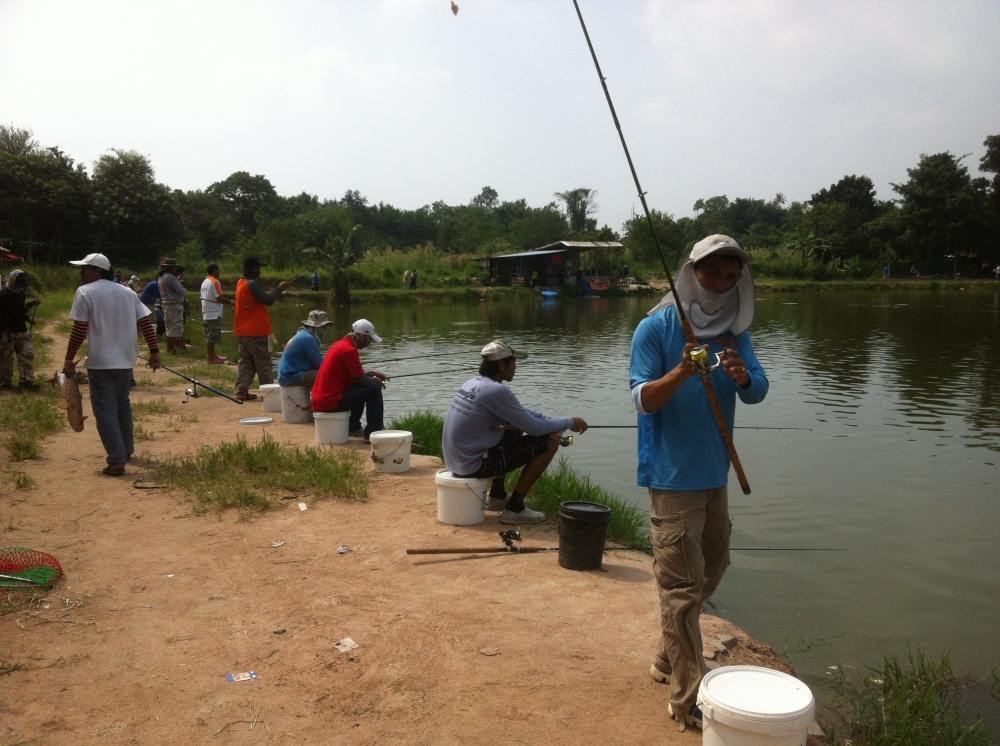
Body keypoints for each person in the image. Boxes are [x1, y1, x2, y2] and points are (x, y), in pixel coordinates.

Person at [629, 234, 768, 731]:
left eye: (731, 277)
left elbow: (758, 389)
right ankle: (687, 697)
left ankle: (669, 653)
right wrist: (682, 372)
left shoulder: (736, 332)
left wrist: (742, 376)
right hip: (670, 477)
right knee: (683, 587)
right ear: (692, 273)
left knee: (716, 561)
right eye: (712, 274)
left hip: (716, 471)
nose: (721, 284)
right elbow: (643, 399)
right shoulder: (656, 327)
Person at [441, 340, 588, 525]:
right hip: (471, 466)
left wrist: (546, 419)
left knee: (513, 430)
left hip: (456, 462)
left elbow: (520, 413)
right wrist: (570, 421)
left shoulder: (473, 383)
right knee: (549, 442)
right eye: (514, 362)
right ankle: (514, 508)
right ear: (502, 365)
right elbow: (535, 428)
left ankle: (497, 496)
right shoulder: (496, 391)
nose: (516, 367)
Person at [62, 252, 161, 476]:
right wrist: (154, 352)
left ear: (97, 271)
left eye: (85, 268)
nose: (81, 273)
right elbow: (145, 321)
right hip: (126, 361)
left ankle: (116, 460)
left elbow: (79, 329)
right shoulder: (127, 292)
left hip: (101, 362)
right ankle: (125, 450)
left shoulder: (85, 292)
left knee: (105, 410)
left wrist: (69, 358)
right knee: (121, 404)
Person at [311, 319, 388, 440]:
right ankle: (374, 433)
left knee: (365, 387)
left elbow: (355, 377)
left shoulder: (340, 345)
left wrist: (372, 374)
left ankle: (353, 428)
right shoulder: (349, 350)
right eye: (369, 340)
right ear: (362, 336)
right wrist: (375, 381)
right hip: (330, 400)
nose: (369, 344)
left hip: (322, 398)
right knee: (374, 389)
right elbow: (360, 380)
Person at [233, 256, 290, 401]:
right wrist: (280, 289)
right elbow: (268, 300)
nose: (260, 271)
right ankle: (270, 395)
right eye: (258, 268)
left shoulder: (241, 283)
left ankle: (241, 390)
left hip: (243, 331)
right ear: (252, 268)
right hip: (256, 332)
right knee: (263, 362)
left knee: (246, 362)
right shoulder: (252, 284)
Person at [0, 269, 41, 390]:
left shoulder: (20, 294)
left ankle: (26, 381)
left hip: (21, 330)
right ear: (12, 280)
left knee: (26, 355)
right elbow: (14, 311)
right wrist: (30, 305)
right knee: (5, 358)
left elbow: (20, 311)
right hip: (6, 331)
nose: (20, 287)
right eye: (19, 284)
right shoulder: (3, 295)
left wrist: (28, 319)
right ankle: (5, 382)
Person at [278, 310, 333, 389]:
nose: (325, 330)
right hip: (290, 377)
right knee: (327, 374)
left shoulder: (303, 334)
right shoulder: (308, 339)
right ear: (315, 327)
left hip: (287, 376)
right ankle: (324, 400)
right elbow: (321, 365)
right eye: (324, 327)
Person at [200, 263, 231, 364]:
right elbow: (219, 298)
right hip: (214, 313)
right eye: (218, 270)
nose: (219, 272)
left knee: (210, 334)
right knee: (213, 335)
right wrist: (232, 302)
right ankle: (211, 358)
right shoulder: (215, 281)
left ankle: (213, 355)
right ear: (214, 271)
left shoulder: (205, 281)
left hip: (206, 311)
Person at [157, 259, 187, 353]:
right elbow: (181, 291)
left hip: (167, 305)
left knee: (170, 327)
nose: (175, 268)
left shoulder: (162, 277)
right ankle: (170, 349)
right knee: (174, 328)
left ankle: (172, 348)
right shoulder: (170, 277)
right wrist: (182, 286)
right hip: (174, 306)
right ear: (170, 268)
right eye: (174, 267)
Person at [139, 269, 165, 337]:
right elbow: (160, 295)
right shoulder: (155, 284)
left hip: (146, 302)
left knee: (149, 319)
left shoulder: (154, 283)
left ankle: (147, 334)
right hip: (146, 302)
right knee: (152, 319)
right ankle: (150, 335)